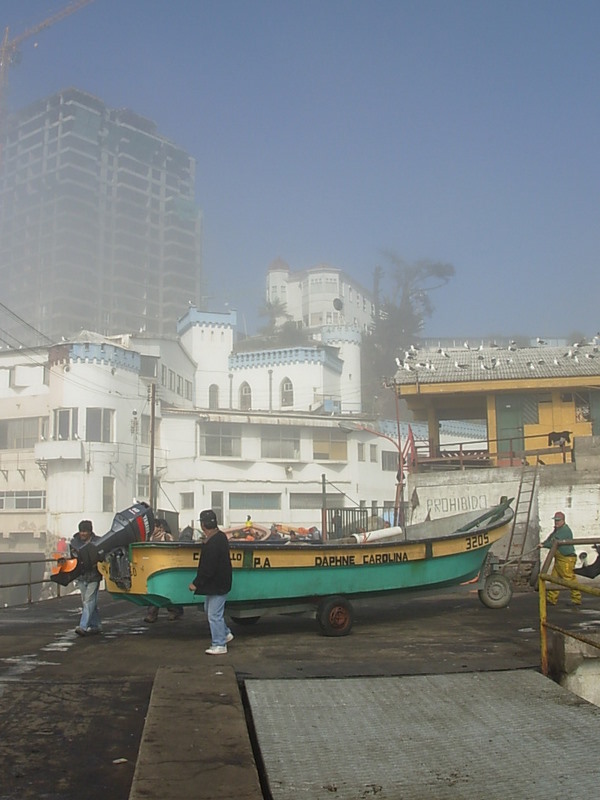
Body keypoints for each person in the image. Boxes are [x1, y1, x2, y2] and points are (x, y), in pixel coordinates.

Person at [188, 509, 233, 655]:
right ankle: (225, 634)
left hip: (217, 584)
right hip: (220, 583)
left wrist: (196, 583)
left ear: (203, 525)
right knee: (211, 610)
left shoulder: (212, 542)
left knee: (214, 615)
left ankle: (219, 644)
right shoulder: (220, 537)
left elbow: (208, 568)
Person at [539, 511, 582, 608]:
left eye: (558, 520)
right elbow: (550, 539)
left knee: (569, 578)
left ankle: (576, 599)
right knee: (554, 578)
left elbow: (554, 542)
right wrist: (543, 543)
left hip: (566, 558)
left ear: (563, 520)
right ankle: (551, 599)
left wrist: (544, 545)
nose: (556, 522)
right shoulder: (557, 530)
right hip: (559, 558)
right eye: (555, 520)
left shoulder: (564, 530)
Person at [144, 519, 184, 623]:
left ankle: (173, 611)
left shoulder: (167, 537)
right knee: (154, 592)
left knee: (167, 592)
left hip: (167, 568)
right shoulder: (150, 538)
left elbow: (174, 550)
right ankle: (153, 614)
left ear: (160, 527)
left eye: (154, 527)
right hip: (153, 568)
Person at [70, 519, 102, 636]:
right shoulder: (74, 543)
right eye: (81, 531)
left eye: (85, 531)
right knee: (88, 601)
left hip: (94, 576)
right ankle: (96, 625)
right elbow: (72, 559)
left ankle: (83, 626)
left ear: (90, 531)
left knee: (88, 600)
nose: (82, 534)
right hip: (81, 576)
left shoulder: (98, 542)